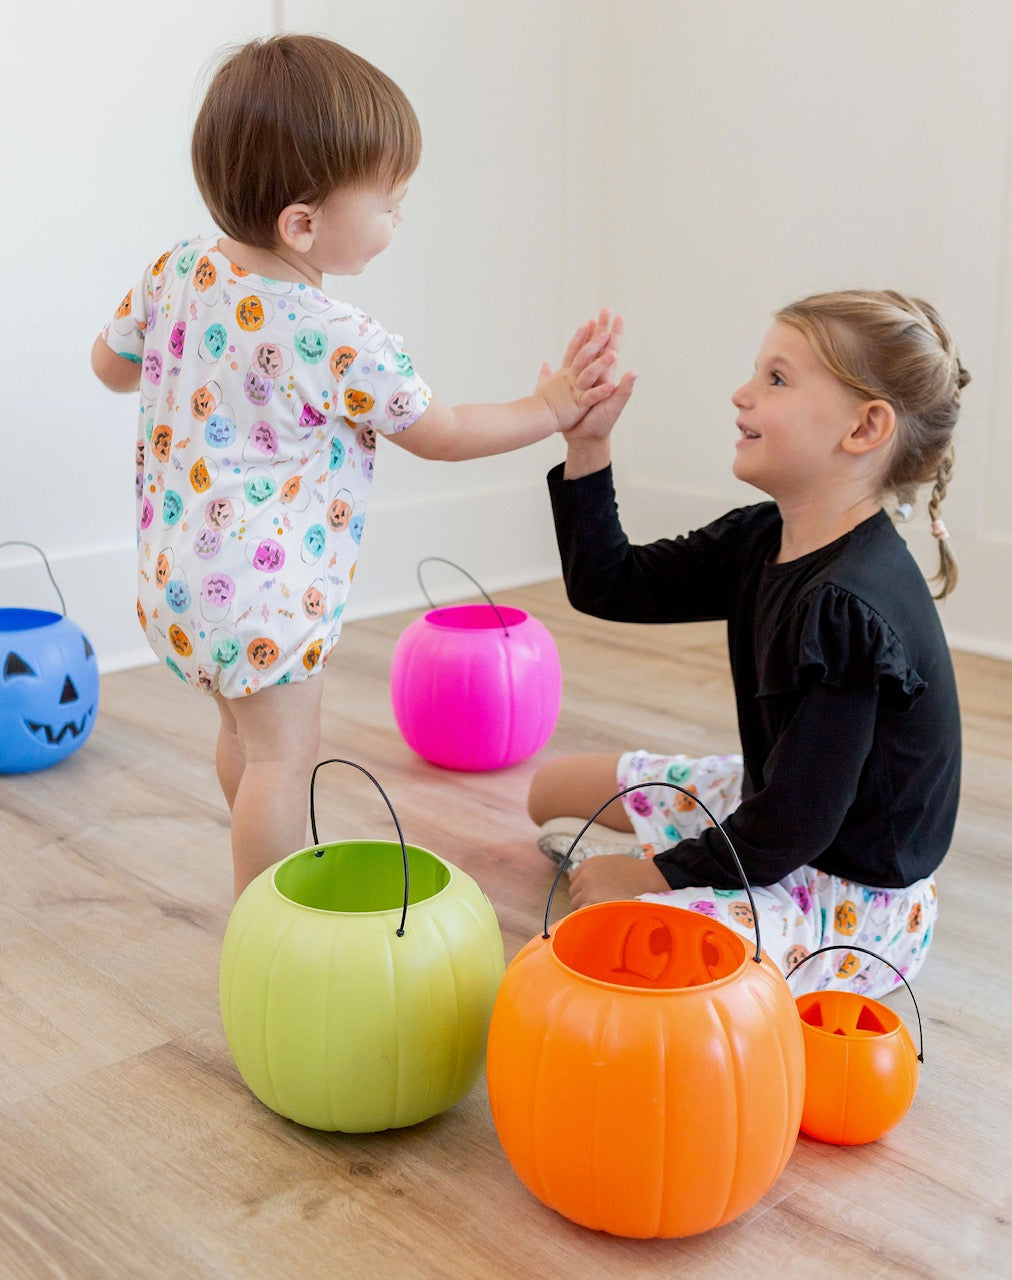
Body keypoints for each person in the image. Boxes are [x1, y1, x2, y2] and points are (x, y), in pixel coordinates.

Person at [91, 34, 624, 898]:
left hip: (177, 581)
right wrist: (554, 407)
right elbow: (444, 432)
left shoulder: (177, 268)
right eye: (389, 203)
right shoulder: (337, 337)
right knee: (282, 760)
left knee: (246, 739)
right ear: (302, 224)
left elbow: (108, 366)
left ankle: (264, 876)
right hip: (262, 596)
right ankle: (270, 924)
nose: (398, 219)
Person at [528, 290, 968, 996]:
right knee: (549, 792)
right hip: (778, 807)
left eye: (777, 379)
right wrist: (589, 446)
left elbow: (796, 823)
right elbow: (609, 584)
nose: (742, 394)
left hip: (849, 898)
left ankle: (676, 882)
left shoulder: (851, 606)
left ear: (864, 427)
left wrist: (656, 875)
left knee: (630, 954)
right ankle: (673, 873)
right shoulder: (760, 537)